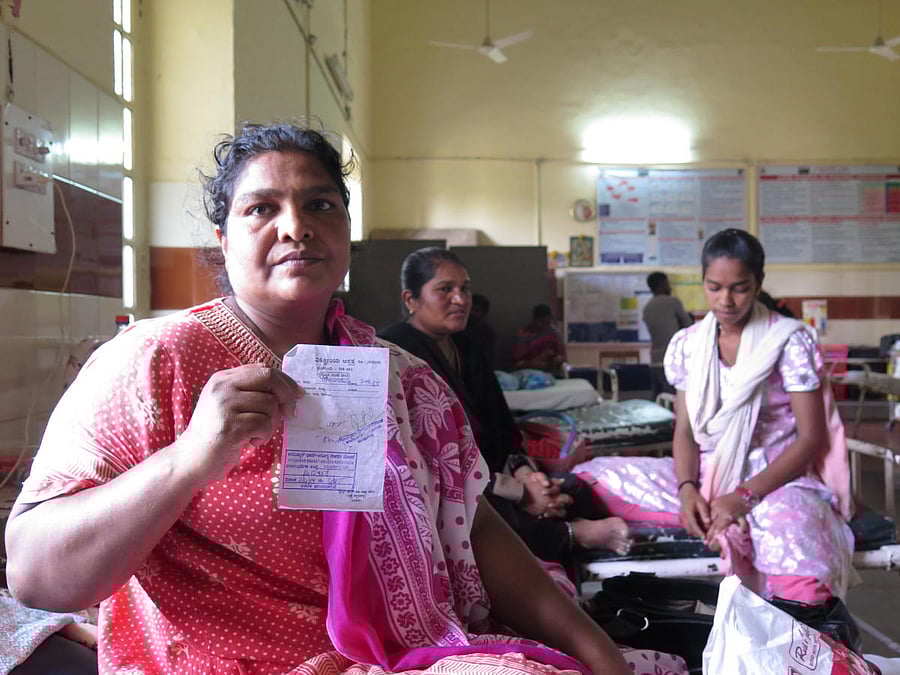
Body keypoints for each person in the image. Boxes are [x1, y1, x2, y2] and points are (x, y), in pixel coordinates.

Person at [2, 122, 665, 675]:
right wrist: (187, 461)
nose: (296, 227)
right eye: (261, 208)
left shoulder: (402, 378)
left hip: (399, 655)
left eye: (320, 205)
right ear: (223, 240)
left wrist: (596, 651)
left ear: (346, 230)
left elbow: (473, 525)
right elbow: (35, 574)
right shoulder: (155, 362)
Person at [574, 229, 855, 605]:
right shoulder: (689, 344)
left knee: (798, 564)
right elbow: (686, 431)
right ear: (703, 280)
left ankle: (791, 631)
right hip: (707, 474)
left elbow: (810, 439)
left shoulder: (789, 342)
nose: (726, 300)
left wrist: (744, 496)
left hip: (778, 480)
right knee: (590, 478)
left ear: (758, 283)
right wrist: (687, 489)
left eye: (739, 288)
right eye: (714, 287)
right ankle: (704, 516)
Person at [379, 247, 632, 566]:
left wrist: (528, 476)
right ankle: (573, 533)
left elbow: (501, 428)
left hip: (493, 474)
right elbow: (427, 459)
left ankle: (574, 542)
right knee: (477, 509)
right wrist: (520, 492)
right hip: (443, 484)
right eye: (445, 289)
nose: (460, 299)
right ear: (411, 299)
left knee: (573, 489)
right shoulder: (394, 353)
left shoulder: (467, 348)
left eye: (465, 289)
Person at [642, 272, 693, 397]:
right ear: (661, 285)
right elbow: (688, 326)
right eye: (667, 283)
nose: (670, 287)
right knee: (675, 399)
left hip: (655, 360)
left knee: (659, 399)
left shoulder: (647, 308)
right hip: (673, 360)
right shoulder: (673, 302)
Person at [511, 304, 567, 374]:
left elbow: (563, 359)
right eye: (542, 322)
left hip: (552, 373)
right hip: (528, 373)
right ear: (534, 320)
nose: (545, 325)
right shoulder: (523, 334)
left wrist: (558, 359)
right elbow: (517, 364)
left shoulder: (554, 333)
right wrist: (534, 363)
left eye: (548, 323)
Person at [460, 293, 497, 369]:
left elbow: (488, 356)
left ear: (483, 313)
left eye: (476, 310)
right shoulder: (457, 327)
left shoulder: (487, 332)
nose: (472, 312)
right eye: (470, 309)